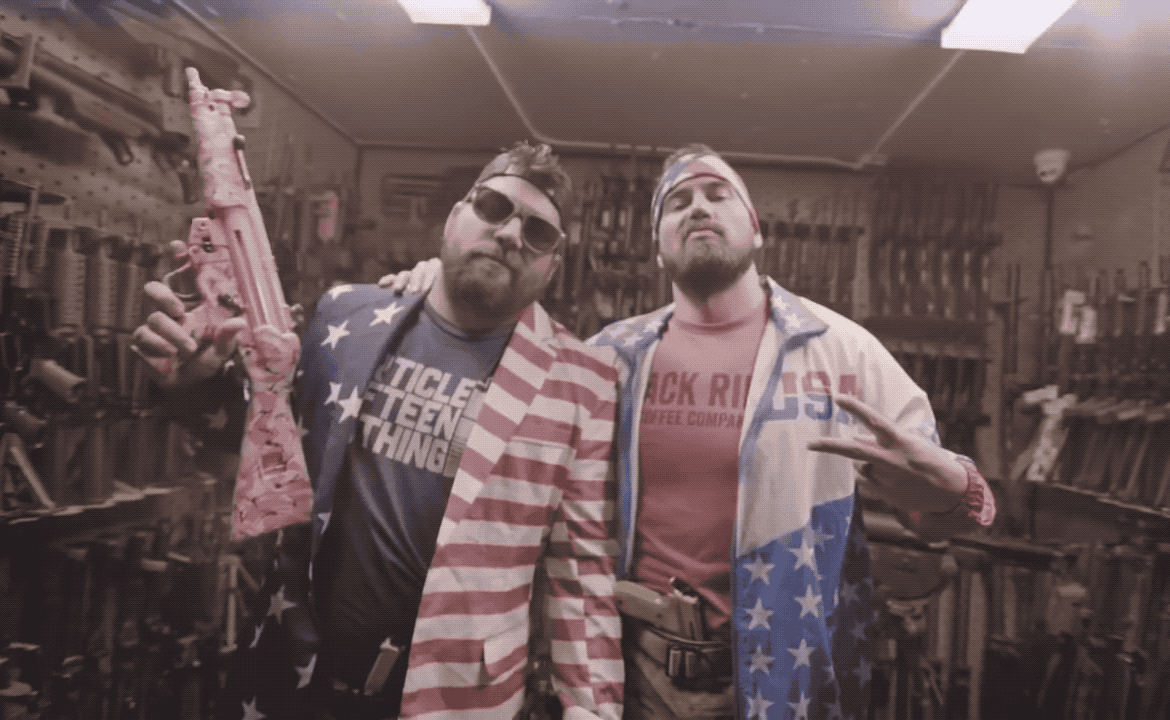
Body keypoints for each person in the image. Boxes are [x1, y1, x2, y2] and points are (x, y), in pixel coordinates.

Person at [385, 143, 996, 720]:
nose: (698, 206)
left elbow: (964, 514)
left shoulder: (838, 350)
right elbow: (492, 349)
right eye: (677, 202)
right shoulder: (609, 357)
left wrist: (949, 492)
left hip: (783, 680)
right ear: (658, 248)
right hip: (631, 677)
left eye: (717, 194)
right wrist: (433, 292)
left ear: (756, 229)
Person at [132, 141, 624, 720]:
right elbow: (262, 446)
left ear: (553, 264)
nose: (512, 234)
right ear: (455, 217)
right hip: (293, 679)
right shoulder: (344, 314)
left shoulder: (582, 381)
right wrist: (193, 382)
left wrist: (591, 709)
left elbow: (581, 569)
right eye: (494, 208)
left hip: (457, 700)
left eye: (538, 233)